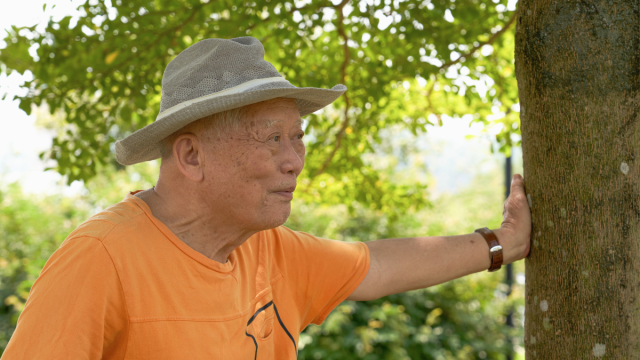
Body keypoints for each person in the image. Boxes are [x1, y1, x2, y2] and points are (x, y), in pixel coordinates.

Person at [2, 37, 531, 359]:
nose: (295, 159)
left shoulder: (268, 249)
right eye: (271, 137)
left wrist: (502, 243)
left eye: (298, 136)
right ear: (190, 156)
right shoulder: (101, 259)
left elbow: (379, 266)